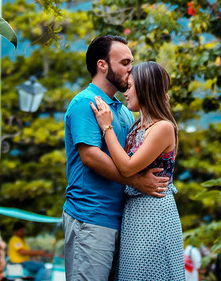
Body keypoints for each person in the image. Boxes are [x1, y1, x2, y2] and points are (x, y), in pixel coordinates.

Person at [63, 35, 169, 281]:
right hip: (90, 217)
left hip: (123, 220)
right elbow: (90, 157)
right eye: (124, 63)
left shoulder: (123, 111)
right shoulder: (86, 103)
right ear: (102, 65)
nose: (131, 69)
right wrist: (136, 181)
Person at [89, 61, 184, 281]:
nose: (125, 92)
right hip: (134, 212)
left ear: (145, 88)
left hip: (154, 214)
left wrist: (106, 127)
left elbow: (126, 167)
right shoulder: (136, 126)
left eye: (130, 86)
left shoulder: (163, 127)